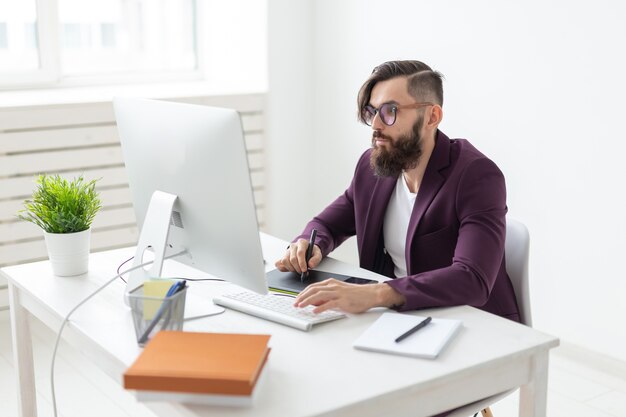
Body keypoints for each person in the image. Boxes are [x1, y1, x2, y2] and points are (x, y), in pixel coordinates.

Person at [275, 60, 520, 322]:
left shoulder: (475, 175)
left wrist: (376, 294)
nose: (376, 125)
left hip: (474, 324)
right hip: (404, 316)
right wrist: (308, 245)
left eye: (390, 111)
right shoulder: (376, 167)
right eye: (372, 112)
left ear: (432, 117)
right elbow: (328, 224)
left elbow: (472, 278)